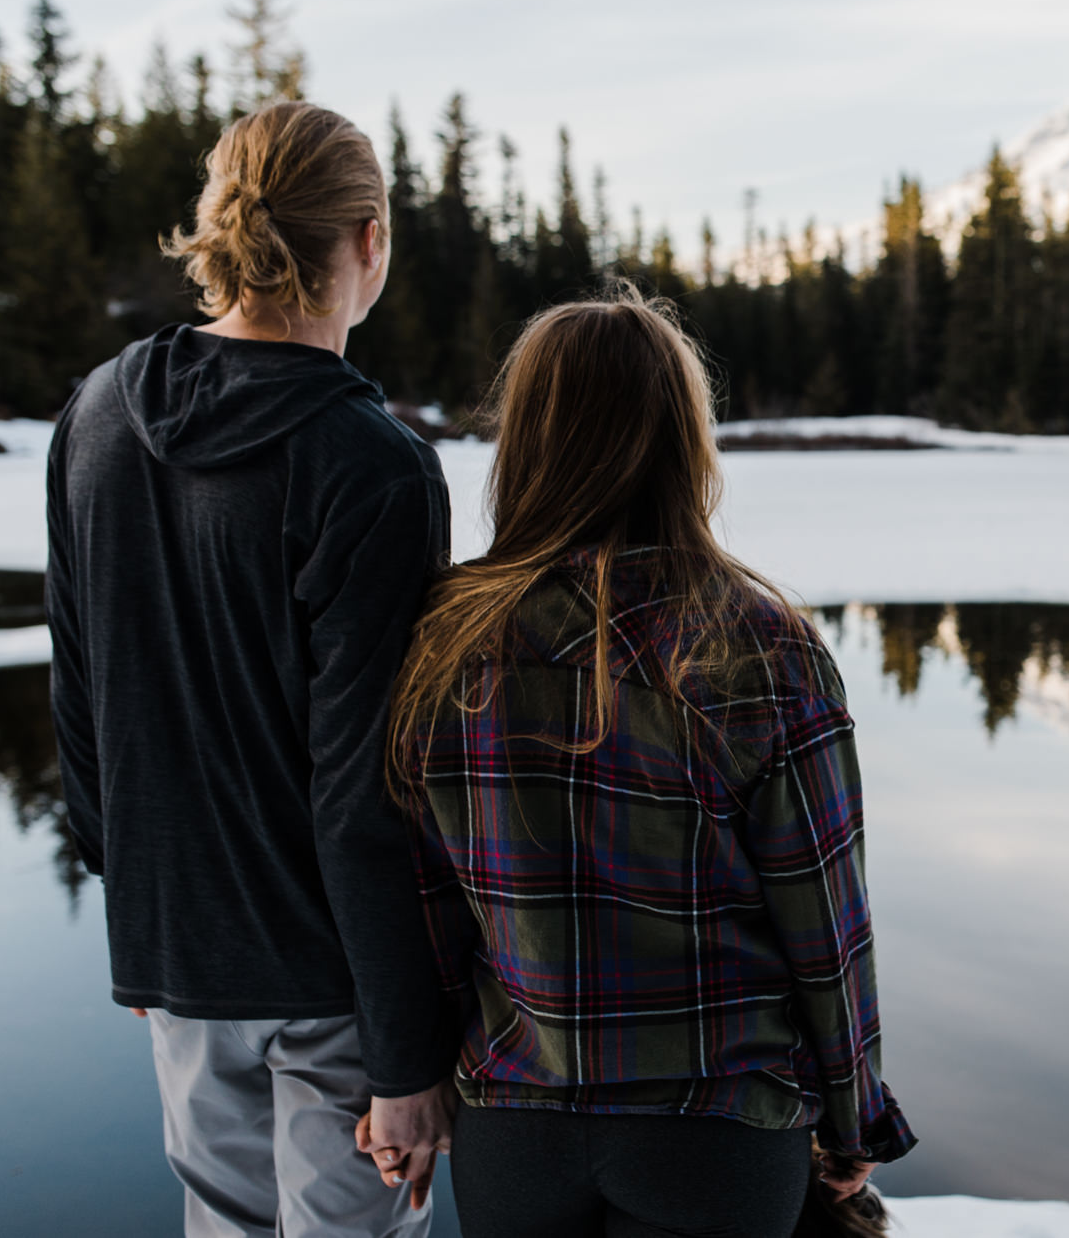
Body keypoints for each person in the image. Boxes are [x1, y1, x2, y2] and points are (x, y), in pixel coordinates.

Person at [371, 288, 915, 1237]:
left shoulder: (445, 637)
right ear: (682, 440)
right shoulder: (759, 642)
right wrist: (853, 1106)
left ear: (527, 440)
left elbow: (425, 907)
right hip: (715, 1128)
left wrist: (416, 1068)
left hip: (515, 1124)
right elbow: (826, 919)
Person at [46, 101, 457, 1237]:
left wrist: (140, 912)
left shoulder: (95, 415)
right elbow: (365, 783)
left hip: (178, 950)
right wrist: (409, 1049)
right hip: (330, 979)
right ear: (367, 239)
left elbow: (78, 698)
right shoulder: (371, 465)